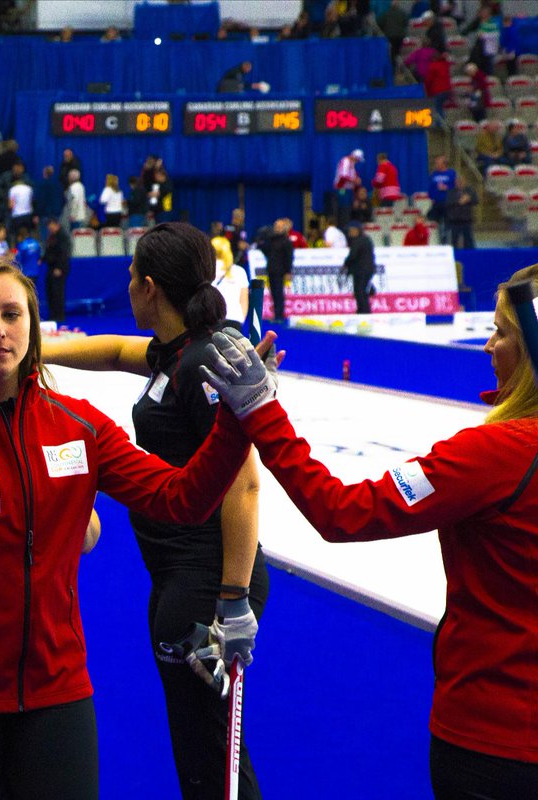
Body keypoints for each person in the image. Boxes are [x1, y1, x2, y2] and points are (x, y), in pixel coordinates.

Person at [0, 255, 255, 800]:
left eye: (12, 315)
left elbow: (181, 499)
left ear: (33, 325)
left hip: (56, 693)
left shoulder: (77, 423)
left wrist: (236, 424)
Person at [200, 263, 538, 800]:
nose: (487, 346)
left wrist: (260, 410)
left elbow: (342, 512)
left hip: (494, 737)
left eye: (500, 332)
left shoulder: (494, 455)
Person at [41, 223, 267, 798]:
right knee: (197, 748)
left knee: (213, 755)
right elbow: (115, 351)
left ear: (148, 287)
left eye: (130, 277)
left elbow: (244, 482)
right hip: (175, 572)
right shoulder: (176, 350)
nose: (126, 286)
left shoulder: (205, 360)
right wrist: (30, 350)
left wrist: (234, 599)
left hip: (207, 579)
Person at [259, 218, 293, 323]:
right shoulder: (271, 240)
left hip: (280, 270)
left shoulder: (286, 241)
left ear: (283, 228)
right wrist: (261, 242)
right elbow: (266, 251)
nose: (277, 228)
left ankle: (279, 315)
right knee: (273, 292)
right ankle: (276, 314)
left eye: (279, 227)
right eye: (276, 226)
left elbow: (289, 257)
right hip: (271, 269)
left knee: (279, 293)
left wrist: (288, 271)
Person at [214, 233, 250, 324]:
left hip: (211, 321)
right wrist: (240, 319)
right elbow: (244, 301)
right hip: (234, 319)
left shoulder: (206, 270)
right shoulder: (239, 271)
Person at [343, 221, 376, 314]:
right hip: (368, 270)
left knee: (359, 291)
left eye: (351, 231)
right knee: (362, 291)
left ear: (356, 230)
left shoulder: (358, 241)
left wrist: (346, 264)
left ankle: (363, 311)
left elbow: (352, 255)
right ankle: (364, 310)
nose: (349, 233)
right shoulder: (366, 239)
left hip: (360, 271)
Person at [43, 217, 70, 323]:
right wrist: (42, 259)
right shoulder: (51, 236)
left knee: (58, 292)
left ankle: (59, 315)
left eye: (50, 226)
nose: (49, 228)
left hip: (59, 268)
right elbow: (49, 251)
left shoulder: (62, 236)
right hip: (51, 267)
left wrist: (60, 267)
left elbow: (64, 254)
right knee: (50, 291)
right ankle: (52, 314)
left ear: (55, 225)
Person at [333, 149, 364, 228]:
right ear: (355, 157)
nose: (357, 162)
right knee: (344, 209)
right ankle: (343, 227)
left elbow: (352, 176)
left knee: (347, 210)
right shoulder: (345, 161)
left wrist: (356, 179)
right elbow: (343, 176)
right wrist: (354, 180)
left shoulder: (351, 164)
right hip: (342, 190)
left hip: (348, 190)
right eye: (357, 160)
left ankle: (346, 226)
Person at [446, 175, 478, 250]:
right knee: (454, 239)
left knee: (468, 239)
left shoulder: (470, 191)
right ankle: (455, 253)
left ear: (465, 182)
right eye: (458, 182)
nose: (460, 183)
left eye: (461, 182)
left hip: (466, 220)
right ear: (455, 183)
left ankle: (470, 253)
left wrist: (469, 200)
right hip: (455, 220)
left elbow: (476, 201)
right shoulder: (451, 192)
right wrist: (459, 201)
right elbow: (448, 202)